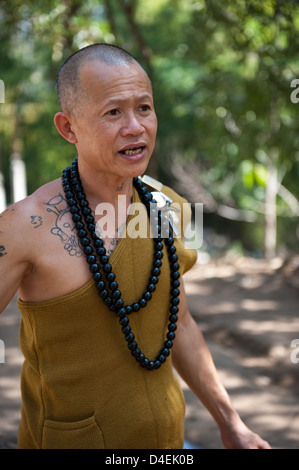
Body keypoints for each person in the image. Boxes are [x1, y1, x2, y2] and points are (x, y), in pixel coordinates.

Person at [0, 43, 270, 449]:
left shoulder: (169, 206)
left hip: (170, 445)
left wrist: (232, 424)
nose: (135, 127)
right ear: (68, 128)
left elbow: (179, 325)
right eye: (113, 112)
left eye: (144, 108)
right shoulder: (27, 225)